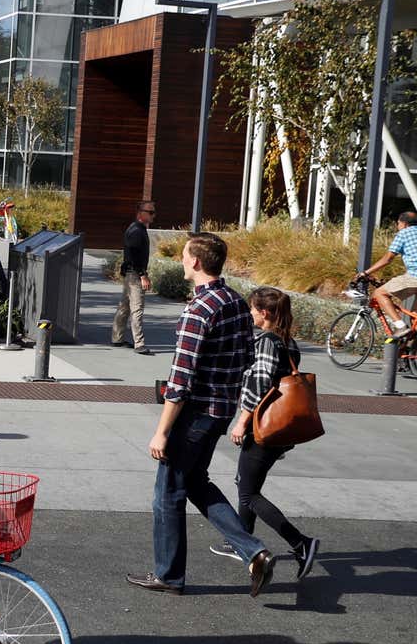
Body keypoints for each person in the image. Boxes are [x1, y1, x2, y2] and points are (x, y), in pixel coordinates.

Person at [127, 233, 275, 597]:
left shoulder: (199, 309)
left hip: (194, 413)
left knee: (168, 492)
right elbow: (245, 361)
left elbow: (180, 378)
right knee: (195, 483)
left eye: (183, 256)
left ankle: (169, 575)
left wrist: (162, 430)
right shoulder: (238, 303)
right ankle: (253, 551)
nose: (180, 260)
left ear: (195, 262)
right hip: (220, 411)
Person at [211, 287, 322, 579]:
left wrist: (242, 421)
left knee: (248, 494)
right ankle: (241, 541)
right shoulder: (289, 342)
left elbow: (260, 383)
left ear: (264, 313)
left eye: (251, 310)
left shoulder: (267, 343)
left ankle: (301, 543)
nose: (249, 315)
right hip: (283, 427)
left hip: (263, 426)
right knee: (245, 484)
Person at [358, 211, 417, 339]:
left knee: (379, 293)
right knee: (416, 321)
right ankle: (410, 354)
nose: (397, 227)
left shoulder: (404, 233)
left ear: (404, 224)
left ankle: (400, 326)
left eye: (398, 224)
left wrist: (365, 273)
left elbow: (387, 259)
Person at [113, 200, 156, 355]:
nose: (153, 215)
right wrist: (143, 275)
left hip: (130, 273)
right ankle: (139, 343)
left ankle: (117, 338)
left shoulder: (136, 229)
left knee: (124, 306)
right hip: (135, 275)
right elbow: (134, 256)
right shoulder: (137, 231)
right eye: (150, 212)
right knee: (137, 309)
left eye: (153, 212)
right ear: (140, 213)